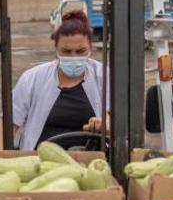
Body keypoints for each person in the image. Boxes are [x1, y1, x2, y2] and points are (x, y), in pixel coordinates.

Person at [12, 10, 109, 150]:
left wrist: (106, 123)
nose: (74, 57)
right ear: (56, 49)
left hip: (92, 160)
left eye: (80, 51)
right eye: (66, 52)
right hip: (39, 163)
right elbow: (9, 122)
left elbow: (118, 119)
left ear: (90, 48)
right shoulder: (32, 79)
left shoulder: (104, 76)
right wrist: (1, 156)